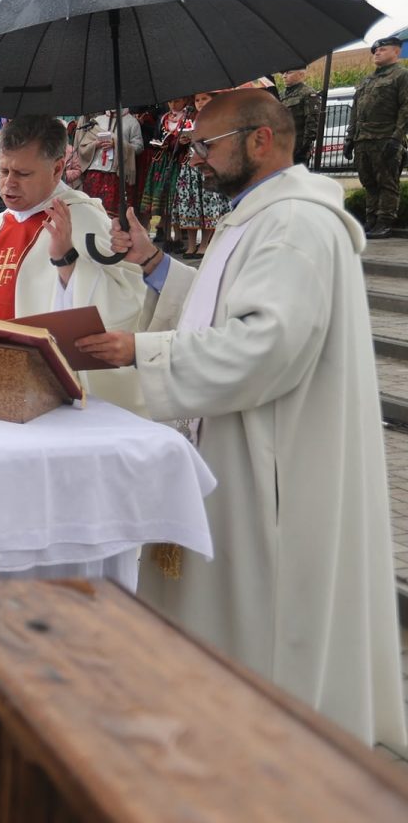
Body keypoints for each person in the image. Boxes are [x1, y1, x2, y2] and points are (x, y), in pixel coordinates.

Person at [76, 90, 406, 749]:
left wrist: (145, 350)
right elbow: (219, 305)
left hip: (273, 462)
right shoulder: (254, 219)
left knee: (264, 629)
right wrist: (153, 264)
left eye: (207, 144)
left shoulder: (294, 225)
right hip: (234, 443)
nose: (195, 159)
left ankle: (262, 756)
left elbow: (265, 344)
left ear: (260, 139)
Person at [0, 114, 144, 411]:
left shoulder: (83, 218)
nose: (8, 184)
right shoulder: (1, 222)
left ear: (57, 169)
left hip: (46, 396)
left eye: (23, 174)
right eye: (3, 171)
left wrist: (67, 260)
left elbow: (125, 305)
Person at [345, 36, 408, 239]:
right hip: (363, 140)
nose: (377, 53)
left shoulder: (401, 75)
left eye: (382, 50)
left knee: (387, 183)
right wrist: (349, 139)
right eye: (375, 51)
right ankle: (371, 221)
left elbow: (405, 108)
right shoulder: (367, 80)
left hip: (385, 138)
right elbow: (356, 110)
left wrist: (397, 138)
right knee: (369, 183)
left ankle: (385, 222)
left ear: (396, 52)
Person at [171, 91, 228, 255]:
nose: (200, 102)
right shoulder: (191, 119)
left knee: (208, 204)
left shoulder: (220, 119)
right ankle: (191, 244)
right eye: (197, 100)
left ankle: (204, 244)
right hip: (191, 167)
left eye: (205, 99)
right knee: (190, 204)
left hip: (209, 166)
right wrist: (183, 140)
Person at [140, 98, 191, 249]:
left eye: (177, 101)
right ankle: (166, 234)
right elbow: (156, 136)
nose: (173, 105)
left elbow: (189, 139)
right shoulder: (163, 118)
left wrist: (180, 143)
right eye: (170, 102)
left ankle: (178, 236)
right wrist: (159, 143)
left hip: (178, 161)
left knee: (174, 198)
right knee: (163, 197)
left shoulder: (188, 118)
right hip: (162, 162)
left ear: (185, 101)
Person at [73, 110, 143, 218]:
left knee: (113, 217)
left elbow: (139, 147)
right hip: (94, 171)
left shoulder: (132, 122)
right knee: (91, 212)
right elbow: (83, 144)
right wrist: (95, 144)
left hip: (117, 174)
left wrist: (116, 144)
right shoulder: (97, 121)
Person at [279, 68, 322, 166]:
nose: (284, 76)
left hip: (298, 147)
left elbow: (312, 123)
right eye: (283, 73)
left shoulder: (308, 93)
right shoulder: (281, 95)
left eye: (289, 72)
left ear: (301, 74)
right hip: (282, 146)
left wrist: (303, 148)